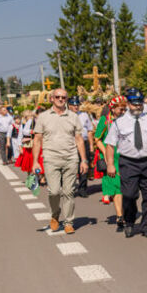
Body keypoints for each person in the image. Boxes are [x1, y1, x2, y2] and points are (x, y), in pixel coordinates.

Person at [105, 88, 147, 238]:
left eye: (139, 104)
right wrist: (110, 164)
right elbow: (110, 145)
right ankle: (130, 222)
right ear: (128, 104)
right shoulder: (119, 123)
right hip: (128, 163)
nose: (137, 106)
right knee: (129, 195)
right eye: (134, 104)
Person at [32, 89, 88, 234]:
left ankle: (69, 221)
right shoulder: (43, 117)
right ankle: (55, 215)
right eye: (57, 97)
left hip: (71, 158)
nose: (61, 99)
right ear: (52, 99)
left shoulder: (73, 117)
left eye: (64, 97)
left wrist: (84, 160)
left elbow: (79, 139)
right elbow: (37, 140)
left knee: (69, 191)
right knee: (54, 191)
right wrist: (35, 161)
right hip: (51, 158)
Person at [95, 96, 126, 227]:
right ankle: (120, 215)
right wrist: (105, 154)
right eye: (121, 109)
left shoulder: (127, 120)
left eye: (125, 109)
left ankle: (124, 212)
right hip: (111, 157)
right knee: (116, 186)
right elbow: (97, 138)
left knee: (126, 187)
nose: (123, 112)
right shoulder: (105, 120)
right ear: (113, 109)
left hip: (125, 156)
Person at [68, 97, 94, 197]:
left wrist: (91, 145)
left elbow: (90, 130)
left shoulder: (84, 115)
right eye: (74, 105)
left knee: (84, 165)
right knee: (70, 166)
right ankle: (69, 188)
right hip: (70, 144)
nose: (76, 106)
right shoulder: (65, 116)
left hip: (84, 142)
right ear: (69, 105)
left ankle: (82, 188)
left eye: (77, 104)